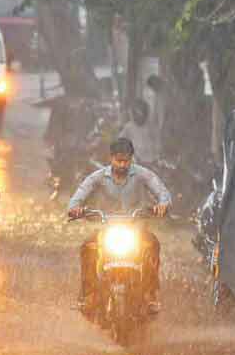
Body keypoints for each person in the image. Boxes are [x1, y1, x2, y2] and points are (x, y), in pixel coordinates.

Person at [68, 138, 171, 312]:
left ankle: (150, 295)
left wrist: (162, 205)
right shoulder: (98, 177)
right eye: (118, 160)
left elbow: (163, 193)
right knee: (87, 248)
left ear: (132, 159)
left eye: (126, 161)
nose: (122, 165)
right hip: (108, 230)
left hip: (136, 230)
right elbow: (77, 197)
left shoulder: (143, 175)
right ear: (111, 158)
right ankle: (88, 295)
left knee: (153, 245)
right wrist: (76, 209)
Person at [119, 99, 160, 166]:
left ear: (146, 114)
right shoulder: (129, 127)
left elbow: (157, 143)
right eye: (137, 114)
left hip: (151, 161)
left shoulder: (151, 127)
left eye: (141, 113)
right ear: (133, 114)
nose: (139, 116)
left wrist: (156, 156)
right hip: (135, 162)